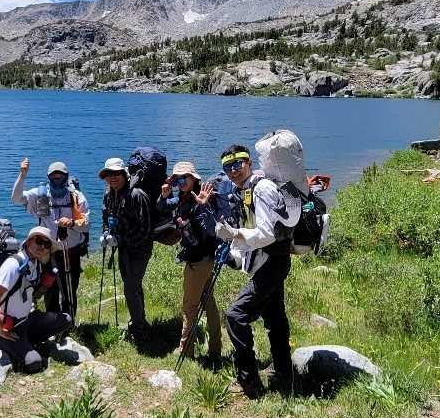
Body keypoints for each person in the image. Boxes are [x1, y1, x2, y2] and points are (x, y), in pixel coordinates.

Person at [215, 144, 297, 398]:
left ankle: (249, 380)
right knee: (275, 319)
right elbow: (256, 229)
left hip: (272, 263)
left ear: (249, 162)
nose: (233, 171)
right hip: (271, 261)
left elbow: (266, 234)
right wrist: (235, 255)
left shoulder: (261, 189)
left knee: (235, 315)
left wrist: (235, 234)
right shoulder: (247, 190)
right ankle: (284, 373)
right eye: (227, 167)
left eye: (237, 164)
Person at [156, 161, 223, 363]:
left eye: (185, 177)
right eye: (177, 178)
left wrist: (203, 205)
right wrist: (164, 194)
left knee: (190, 306)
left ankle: (186, 350)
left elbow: (211, 227)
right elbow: (161, 207)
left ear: (194, 178)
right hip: (202, 259)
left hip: (199, 261)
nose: (181, 181)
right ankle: (215, 350)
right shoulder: (181, 199)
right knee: (208, 303)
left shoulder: (201, 199)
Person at [0, 226, 74, 373]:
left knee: (66, 319)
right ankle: (4, 342)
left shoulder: (35, 263)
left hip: (26, 320)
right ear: (28, 241)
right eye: (38, 241)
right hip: (9, 327)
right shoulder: (13, 264)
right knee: (34, 364)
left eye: (47, 244)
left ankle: (25, 344)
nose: (42, 247)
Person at [10, 158, 90, 317]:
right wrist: (22, 175)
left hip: (70, 252)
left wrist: (71, 223)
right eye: (53, 177)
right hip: (47, 253)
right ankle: (53, 323)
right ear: (48, 178)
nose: (57, 180)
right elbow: (16, 198)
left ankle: (68, 322)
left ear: (66, 177)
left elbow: (86, 225)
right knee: (50, 290)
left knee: (69, 290)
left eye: (60, 177)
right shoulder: (41, 195)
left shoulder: (76, 197)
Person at [99, 157, 154, 338]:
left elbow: (146, 229)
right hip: (123, 249)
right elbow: (106, 217)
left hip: (140, 250)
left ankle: (139, 329)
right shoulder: (109, 195)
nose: (112, 177)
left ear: (124, 174)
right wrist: (106, 233)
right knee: (134, 287)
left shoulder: (137, 195)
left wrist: (121, 240)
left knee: (130, 289)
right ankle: (140, 321)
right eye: (109, 174)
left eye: (116, 173)